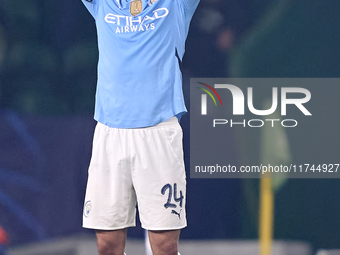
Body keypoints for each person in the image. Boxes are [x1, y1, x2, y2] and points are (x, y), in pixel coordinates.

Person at [81, 0, 199, 254]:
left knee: (165, 245)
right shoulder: (104, 3)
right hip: (110, 133)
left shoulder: (176, 4)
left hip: (158, 133)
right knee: (106, 244)